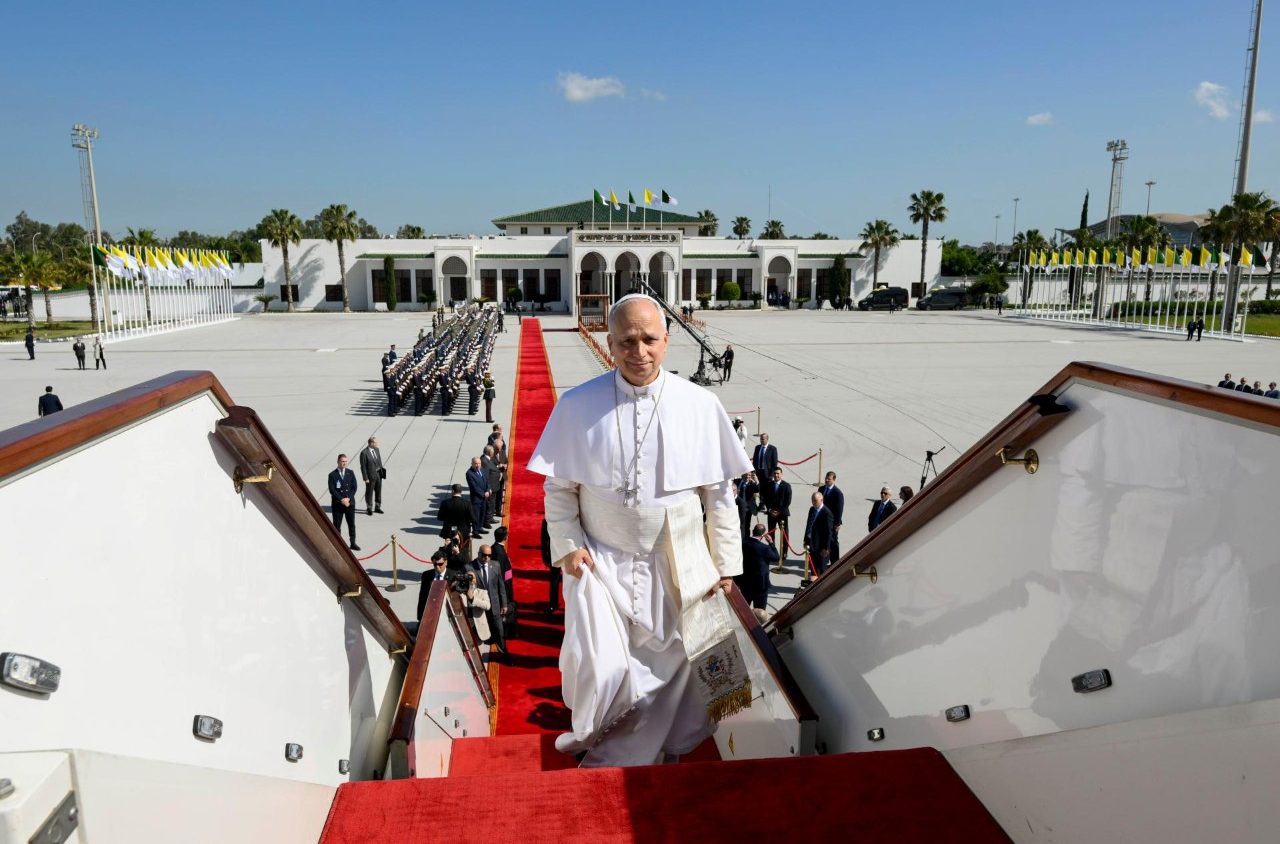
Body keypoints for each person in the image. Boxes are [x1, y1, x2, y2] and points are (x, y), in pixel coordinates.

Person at [527, 292, 752, 767]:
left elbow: (719, 496)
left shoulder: (700, 405)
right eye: (627, 341)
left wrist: (727, 565)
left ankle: (658, 761)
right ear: (609, 343)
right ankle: (612, 759)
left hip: (679, 566)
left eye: (649, 339)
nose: (639, 351)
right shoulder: (577, 405)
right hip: (602, 564)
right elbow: (559, 490)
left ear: (667, 340)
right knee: (606, 671)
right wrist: (569, 547)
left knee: (677, 673)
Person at [470, 545, 510, 659]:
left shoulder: (495, 565)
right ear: (479, 554)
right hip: (480, 607)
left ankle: (503, 655)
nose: (487, 558)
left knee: (500, 631)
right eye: (484, 555)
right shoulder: (470, 567)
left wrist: (504, 604)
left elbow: (501, 586)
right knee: (480, 632)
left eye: (489, 555)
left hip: (495, 606)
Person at [737, 524, 777, 623]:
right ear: (763, 535)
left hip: (745, 582)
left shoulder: (743, 543)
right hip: (761, 584)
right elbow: (776, 557)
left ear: (752, 531)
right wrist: (771, 543)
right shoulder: (765, 548)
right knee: (760, 611)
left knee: (743, 608)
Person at [328, 454, 360, 551]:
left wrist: (348, 498)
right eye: (342, 461)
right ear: (338, 462)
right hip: (338, 504)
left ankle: (353, 543)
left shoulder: (350, 473)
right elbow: (332, 490)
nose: (344, 463)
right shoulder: (332, 475)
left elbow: (354, 487)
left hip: (349, 503)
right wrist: (342, 499)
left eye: (346, 461)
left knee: (351, 524)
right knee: (337, 525)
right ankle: (338, 544)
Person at [760, 467, 792, 561]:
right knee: (771, 533)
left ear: (781, 474)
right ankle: (772, 551)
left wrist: (779, 511)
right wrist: (770, 510)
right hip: (771, 513)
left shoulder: (786, 486)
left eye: (778, 473)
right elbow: (765, 498)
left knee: (784, 534)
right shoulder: (769, 485)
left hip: (782, 514)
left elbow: (788, 501)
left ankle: (784, 553)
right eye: (775, 473)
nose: (776, 475)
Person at [803, 491, 834, 577]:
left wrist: (826, 548)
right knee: (813, 568)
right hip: (811, 544)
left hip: (821, 548)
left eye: (815, 501)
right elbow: (809, 525)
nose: (813, 502)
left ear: (821, 500)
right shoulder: (812, 509)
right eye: (812, 500)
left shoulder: (827, 513)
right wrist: (805, 540)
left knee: (821, 570)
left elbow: (829, 532)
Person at [418, 551, 451, 621]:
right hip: (431, 611)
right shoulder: (426, 575)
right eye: (435, 564)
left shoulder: (453, 576)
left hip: (447, 612)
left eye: (440, 564)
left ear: (446, 562)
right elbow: (423, 596)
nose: (437, 567)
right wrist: (420, 617)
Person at [820, 471, 844, 561]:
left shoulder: (838, 493)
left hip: (832, 522)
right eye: (826, 478)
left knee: (833, 541)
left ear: (834, 480)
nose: (826, 480)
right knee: (823, 539)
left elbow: (839, 510)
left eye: (829, 479)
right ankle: (824, 559)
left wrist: (837, 523)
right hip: (822, 520)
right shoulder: (821, 489)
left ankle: (835, 561)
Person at [465, 457, 491, 537]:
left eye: (479, 463)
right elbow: (474, 487)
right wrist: (483, 494)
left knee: (482, 513)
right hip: (476, 498)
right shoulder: (469, 473)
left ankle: (480, 527)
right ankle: (475, 531)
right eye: (476, 463)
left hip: (484, 497)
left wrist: (488, 489)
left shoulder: (482, 470)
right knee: (476, 515)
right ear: (472, 464)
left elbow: (487, 481)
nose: (478, 465)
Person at [541, 518, 562, 614]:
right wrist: (545, 556)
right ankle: (553, 604)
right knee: (554, 580)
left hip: (568, 552)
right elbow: (544, 540)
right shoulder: (547, 520)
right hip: (554, 554)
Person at [482, 445, 504, 524]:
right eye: (492, 451)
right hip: (491, 487)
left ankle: (490, 517)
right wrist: (488, 488)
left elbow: (492, 468)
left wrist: (497, 468)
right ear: (490, 452)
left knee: (492, 503)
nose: (494, 452)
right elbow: (486, 476)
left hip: (494, 486)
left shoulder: (488, 459)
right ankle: (488, 520)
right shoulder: (485, 461)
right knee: (490, 504)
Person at [492, 525, 514, 602]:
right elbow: (501, 573)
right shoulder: (500, 553)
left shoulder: (494, 547)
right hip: (504, 583)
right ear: (505, 537)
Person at [734, 471, 760, 538]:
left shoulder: (752, 484)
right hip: (738, 506)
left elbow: (757, 489)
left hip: (747, 508)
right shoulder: (737, 481)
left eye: (749, 475)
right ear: (742, 475)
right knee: (738, 524)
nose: (747, 476)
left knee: (746, 525)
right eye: (746, 475)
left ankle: (746, 539)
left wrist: (756, 481)